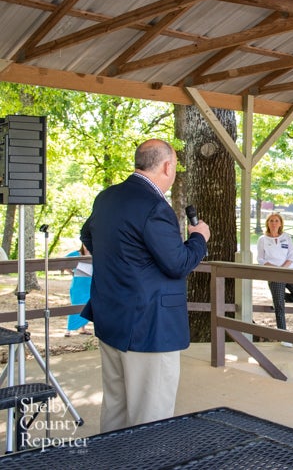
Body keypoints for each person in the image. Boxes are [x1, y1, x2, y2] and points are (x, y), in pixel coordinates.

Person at [80, 139, 210, 432]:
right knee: (150, 418)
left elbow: (88, 238)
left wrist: (125, 268)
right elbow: (177, 264)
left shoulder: (107, 197)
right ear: (167, 166)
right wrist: (199, 237)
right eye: (175, 166)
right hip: (150, 327)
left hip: (111, 316)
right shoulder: (154, 207)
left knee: (116, 408)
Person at [257, 212, 293, 346]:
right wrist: (275, 268)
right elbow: (261, 259)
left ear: (280, 223)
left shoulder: (286, 237)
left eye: (276, 221)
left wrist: (283, 268)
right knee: (279, 307)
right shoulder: (263, 239)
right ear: (268, 223)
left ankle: (279, 297)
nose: (274, 223)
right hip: (274, 274)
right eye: (271, 221)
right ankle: (284, 336)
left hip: (288, 271)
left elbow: (291, 256)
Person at [64, 244, 92, 337]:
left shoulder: (94, 253)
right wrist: (72, 272)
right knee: (75, 305)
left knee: (87, 305)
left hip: (90, 283)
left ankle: (82, 328)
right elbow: (64, 262)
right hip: (78, 284)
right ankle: (68, 329)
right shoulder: (76, 254)